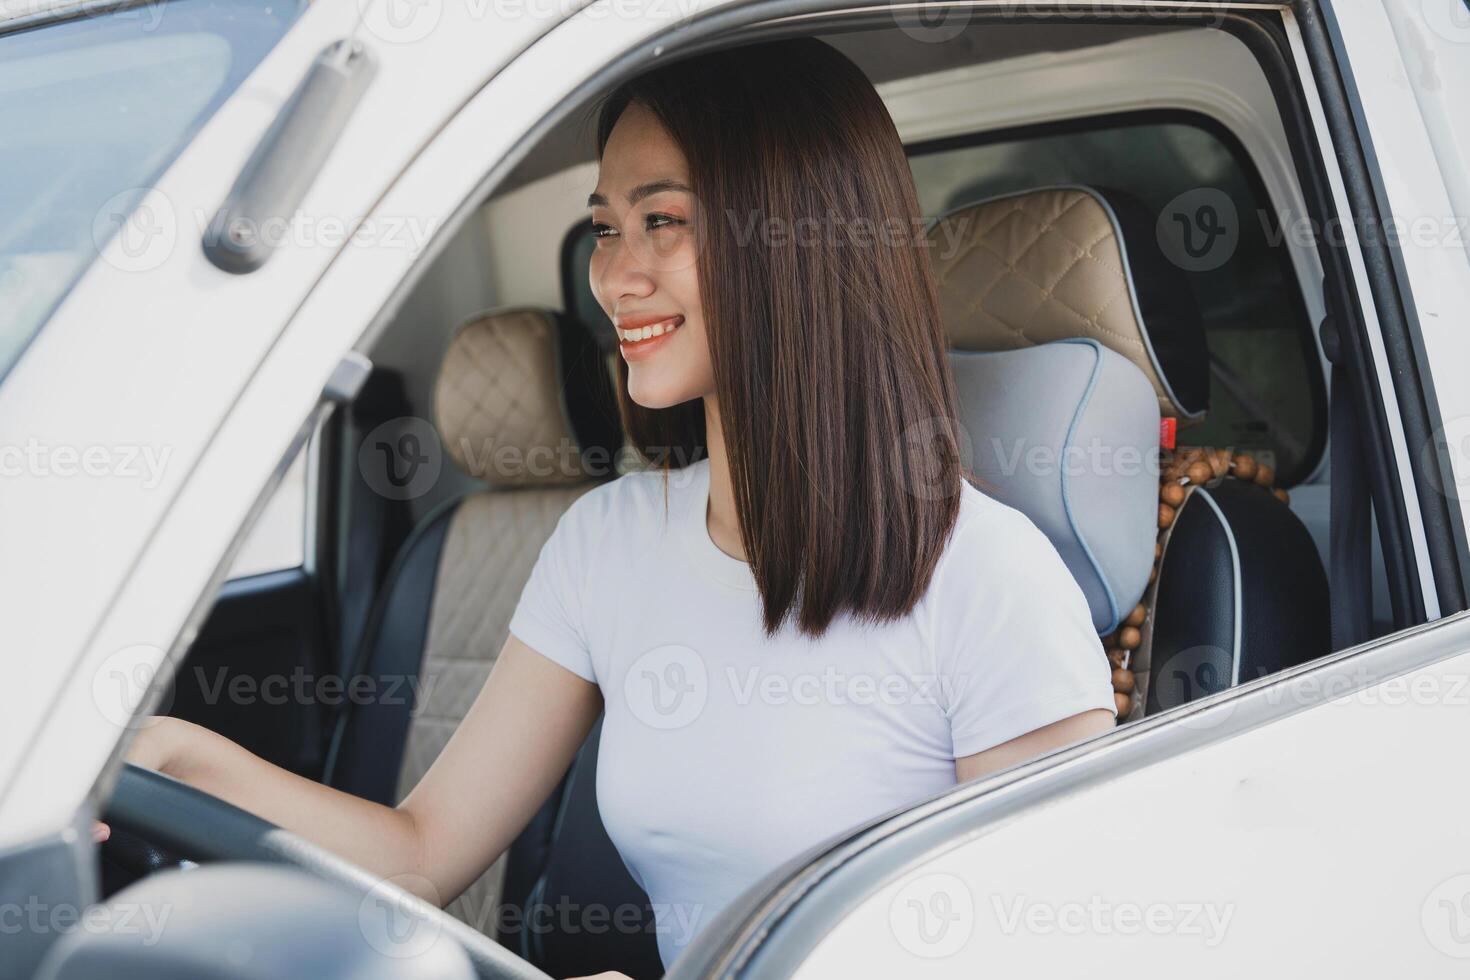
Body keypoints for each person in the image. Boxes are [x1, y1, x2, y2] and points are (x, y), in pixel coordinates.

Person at [118, 37, 1116, 977]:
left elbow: (1037, 950)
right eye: (604, 226)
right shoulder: (607, 542)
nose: (612, 273)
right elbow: (421, 850)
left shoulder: (989, 577)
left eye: (663, 220)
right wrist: (166, 754)